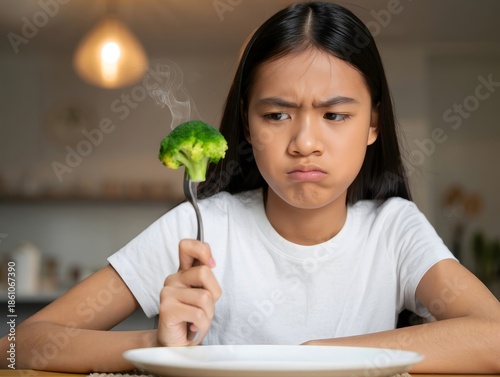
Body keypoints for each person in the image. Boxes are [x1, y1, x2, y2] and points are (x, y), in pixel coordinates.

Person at [2, 1, 499, 373]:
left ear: (373, 126)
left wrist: (310, 360)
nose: (305, 143)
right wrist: (158, 345)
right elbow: (23, 341)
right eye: (277, 114)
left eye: (335, 115)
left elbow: (494, 337)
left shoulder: (394, 230)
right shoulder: (202, 228)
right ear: (247, 124)